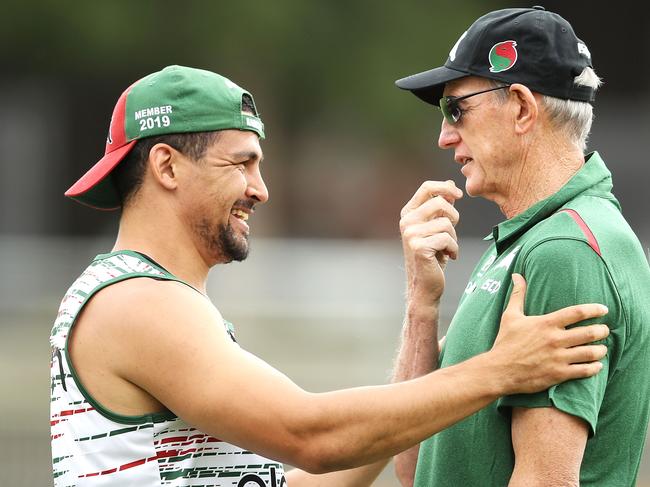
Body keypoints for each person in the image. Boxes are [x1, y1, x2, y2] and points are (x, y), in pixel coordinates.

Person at [51, 64, 610, 487]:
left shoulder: (152, 299)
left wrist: (431, 321)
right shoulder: (136, 301)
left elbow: (304, 475)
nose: (261, 188)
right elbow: (311, 436)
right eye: (241, 162)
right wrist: (498, 369)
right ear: (167, 166)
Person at [394, 6, 650, 487]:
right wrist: (421, 307)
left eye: (456, 108)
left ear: (522, 107)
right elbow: (416, 467)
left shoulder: (565, 247)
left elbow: (545, 480)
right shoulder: (529, 239)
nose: (445, 136)